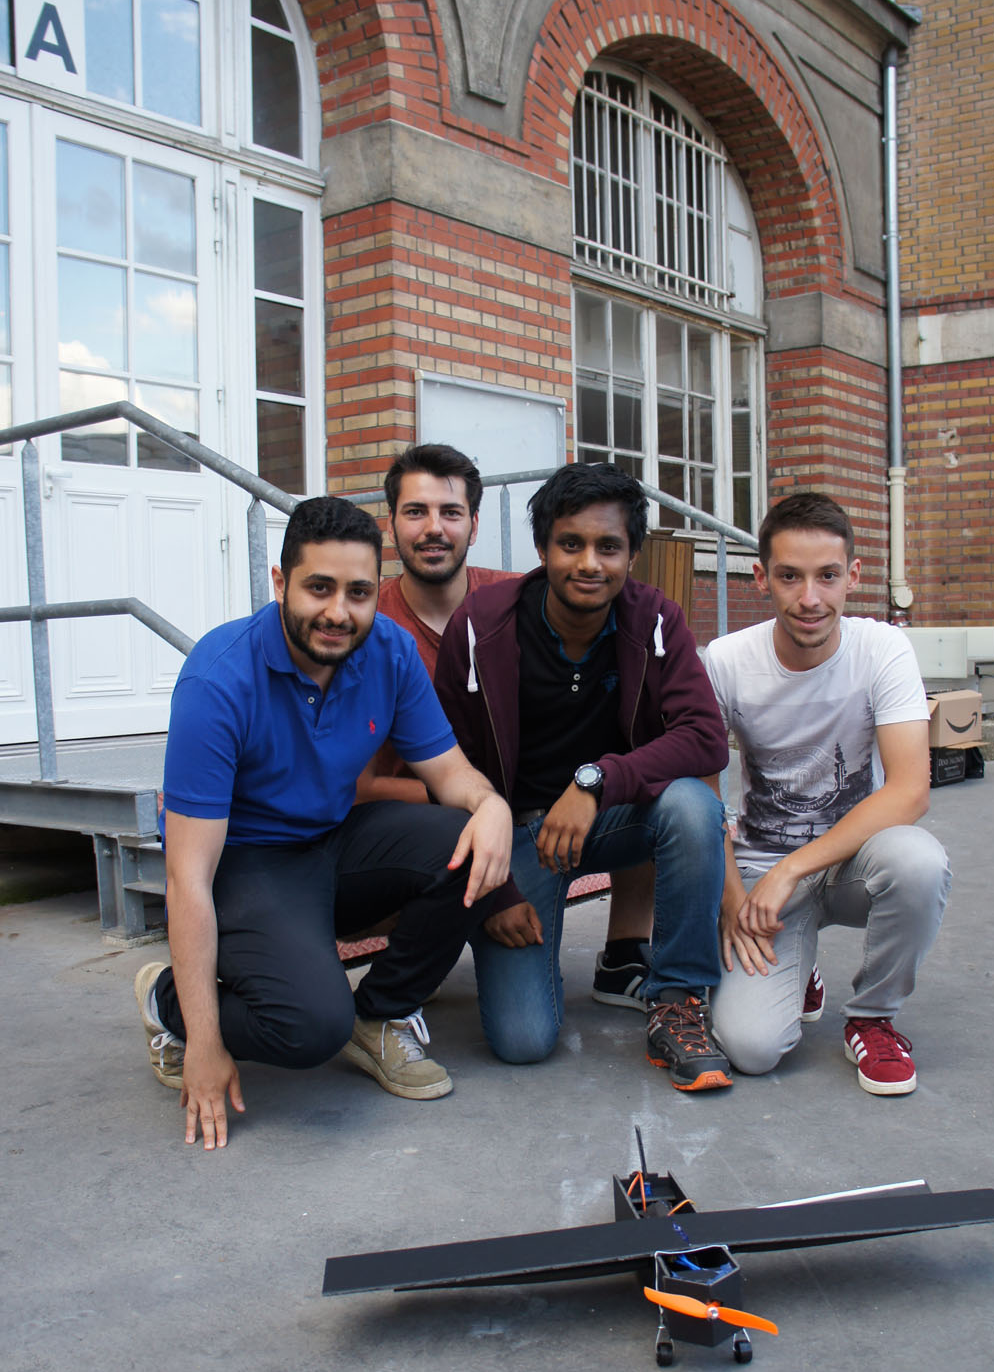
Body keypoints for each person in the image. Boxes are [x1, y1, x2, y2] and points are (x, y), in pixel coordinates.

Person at [133, 495, 513, 1149]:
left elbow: (451, 775)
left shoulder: (388, 651)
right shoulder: (219, 679)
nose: (339, 612)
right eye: (319, 588)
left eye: (359, 592)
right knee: (307, 1028)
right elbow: (187, 877)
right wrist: (204, 1040)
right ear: (280, 582)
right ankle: (166, 1000)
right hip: (246, 864)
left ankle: (380, 1015)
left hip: (333, 841)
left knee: (470, 840)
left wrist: (493, 806)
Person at [435, 460, 734, 1092]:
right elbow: (446, 767)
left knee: (692, 805)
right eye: (571, 544)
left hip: (606, 819)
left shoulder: (655, 620)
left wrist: (597, 781)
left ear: (632, 555)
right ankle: (503, 936)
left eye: (609, 547)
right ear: (543, 549)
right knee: (523, 1041)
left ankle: (677, 998)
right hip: (515, 838)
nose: (589, 564)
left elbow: (706, 737)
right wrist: (494, 893)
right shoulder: (481, 625)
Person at [358, 441, 658, 1010]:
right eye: (415, 511)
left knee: (640, 761)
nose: (434, 528)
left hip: (528, 814)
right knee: (519, 1034)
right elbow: (360, 788)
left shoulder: (520, 600)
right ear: (390, 524)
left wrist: (589, 785)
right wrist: (487, 815)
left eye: (450, 512)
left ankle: (625, 950)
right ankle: (417, 945)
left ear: (474, 525)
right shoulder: (366, 625)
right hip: (422, 828)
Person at [703, 491, 951, 1096]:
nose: (810, 598)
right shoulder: (727, 661)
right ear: (761, 577)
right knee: (752, 1049)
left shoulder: (882, 649)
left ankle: (872, 1017)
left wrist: (793, 869)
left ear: (853, 577)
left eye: (827, 576)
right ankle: (800, 965)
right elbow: (704, 798)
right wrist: (732, 898)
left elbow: (910, 791)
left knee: (919, 862)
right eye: (790, 576)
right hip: (761, 872)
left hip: (849, 863)